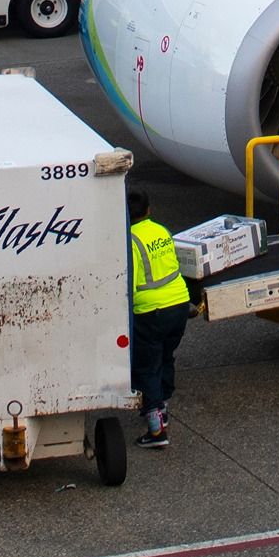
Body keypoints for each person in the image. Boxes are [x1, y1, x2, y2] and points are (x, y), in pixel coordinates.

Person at [126, 191, 193, 446]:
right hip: (178, 303)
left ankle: (156, 430)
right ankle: (163, 407)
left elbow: (130, 284)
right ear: (149, 210)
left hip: (151, 311)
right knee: (166, 356)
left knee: (147, 366)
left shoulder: (130, 240)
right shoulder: (162, 231)